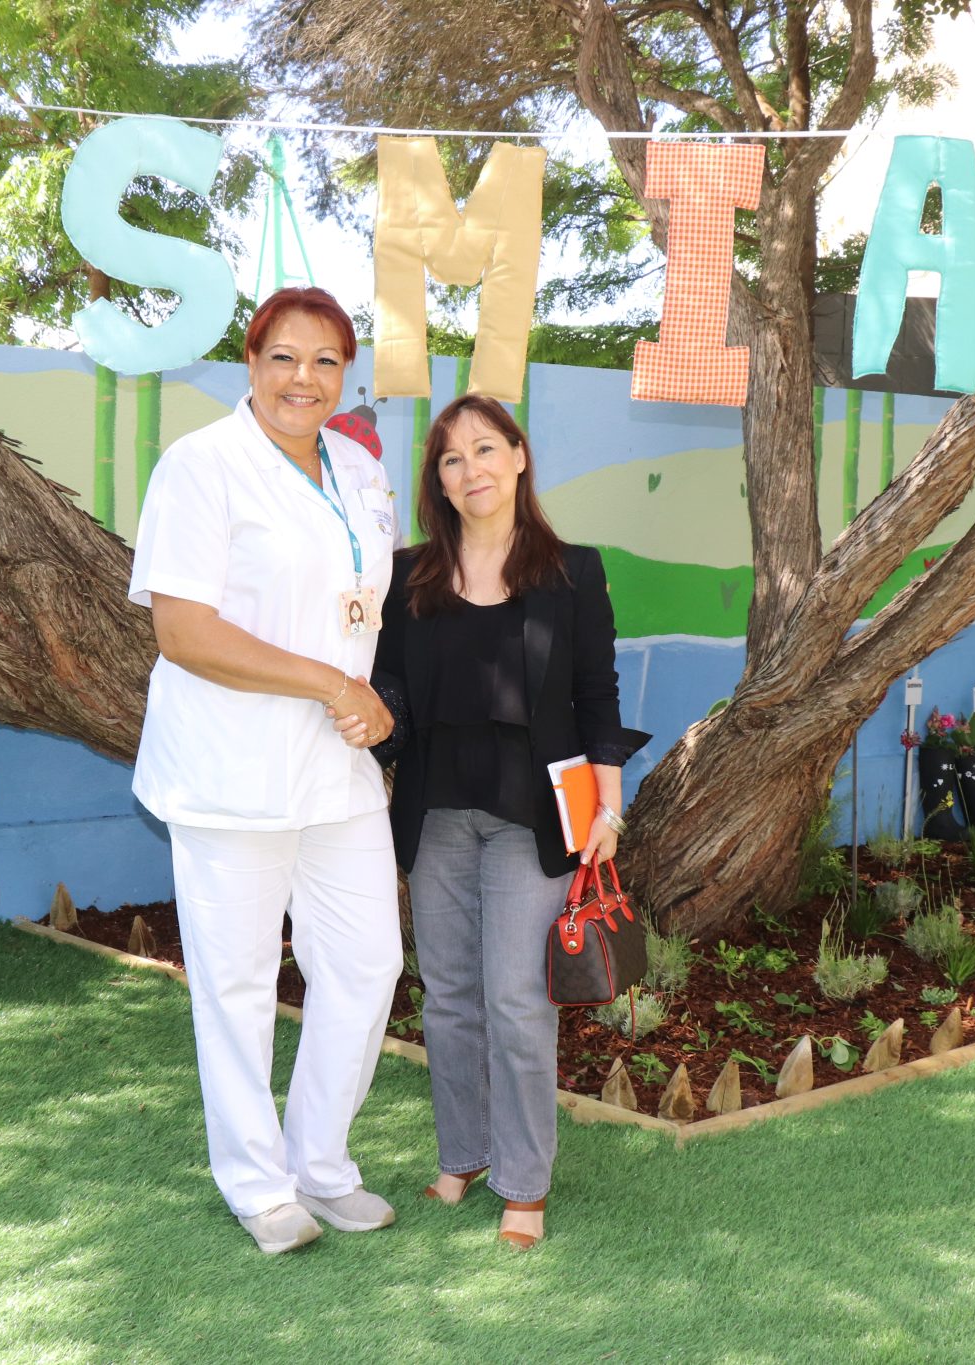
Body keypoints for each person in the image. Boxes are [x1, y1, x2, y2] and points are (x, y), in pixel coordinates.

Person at [127, 287, 401, 1255]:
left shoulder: (360, 469)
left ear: (345, 374)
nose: (303, 378)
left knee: (366, 961)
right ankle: (257, 1184)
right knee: (238, 983)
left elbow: (359, 606)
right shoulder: (201, 466)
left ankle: (320, 1161)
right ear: (250, 363)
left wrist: (361, 695)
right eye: (284, 356)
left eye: (325, 361)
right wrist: (331, 682)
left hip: (335, 764)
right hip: (228, 768)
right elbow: (183, 631)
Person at [369, 393, 648, 1251]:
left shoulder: (573, 573)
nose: (471, 470)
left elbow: (597, 699)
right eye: (452, 458)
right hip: (436, 813)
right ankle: (465, 1152)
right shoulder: (408, 577)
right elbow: (389, 697)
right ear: (439, 480)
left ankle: (525, 1182)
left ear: (520, 457)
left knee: (518, 1001)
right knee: (449, 997)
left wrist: (608, 809)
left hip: (532, 819)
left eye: (486, 449)